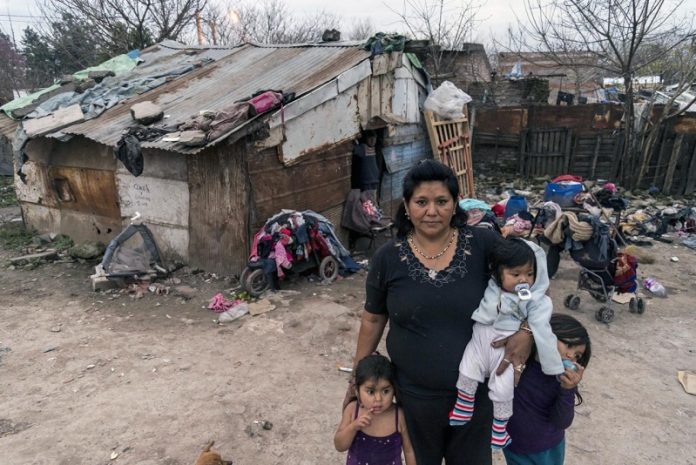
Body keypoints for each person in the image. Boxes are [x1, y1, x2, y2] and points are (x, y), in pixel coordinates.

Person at [347, 159, 535, 465]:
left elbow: (533, 283)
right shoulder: (387, 258)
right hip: (413, 399)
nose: (431, 211)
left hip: (476, 398)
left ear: (455, 203)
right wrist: (356, 377)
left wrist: (526, 333)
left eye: (442, 201)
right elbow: (373, 317)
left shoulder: (485, 245)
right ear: (407, 205)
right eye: (421, 202)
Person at [449, 238, 564, 449]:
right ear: (498, 273)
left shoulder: (535, 299)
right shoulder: (493, 286)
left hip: (506, 349)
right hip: (480, 340)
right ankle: (464, 405)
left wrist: (553, 366)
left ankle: (500, 430)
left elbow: (543, 329)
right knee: (467, 369)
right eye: (516, 274)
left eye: (530, 274)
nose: (524, 279)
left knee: (503, 388)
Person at [504, 313, 591, 465]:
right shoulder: (519, 362)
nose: (570, 355)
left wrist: (568, 389)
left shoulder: (562, 380)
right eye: (568, 345)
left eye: (577, 355)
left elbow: (562, 422)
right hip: (514, 446)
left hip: (547, 449)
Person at [334, 354, 416, 465]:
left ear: (394, 389)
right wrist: (353, 427)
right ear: (357, 391)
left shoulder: (399, 416)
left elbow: (409, 451)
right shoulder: (353, 410)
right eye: (371, 392)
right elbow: (339, 446)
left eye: (385, 391)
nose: (378, 399)